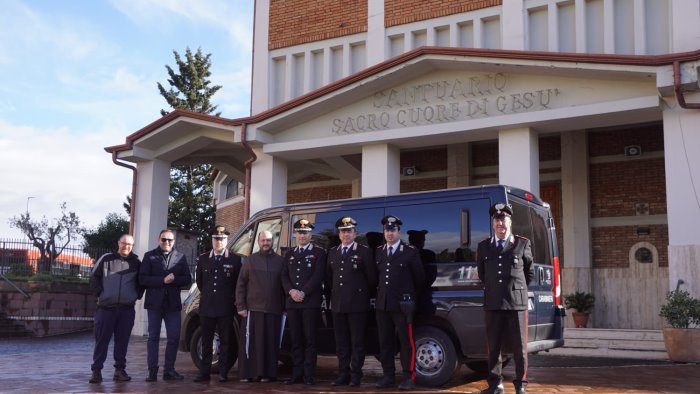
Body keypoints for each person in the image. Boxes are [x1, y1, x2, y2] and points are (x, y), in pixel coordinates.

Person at [476, 203, 534, 394]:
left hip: (516, 303)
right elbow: (483, 274)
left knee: (520, 349)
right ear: (493, 223)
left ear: (510, 221)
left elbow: (529, 273)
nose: (500, 223)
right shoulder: (483, 246)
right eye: (497, 219)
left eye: (503, 219)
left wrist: (516, 290)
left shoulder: (522, 243)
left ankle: (521, 386)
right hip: (493, 303)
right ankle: (495, 384)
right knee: (493, 348)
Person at [374, 215, 425, 391]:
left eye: (392, 230)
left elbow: (419, 279)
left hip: (403, 305)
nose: (389, 233)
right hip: (383, 305)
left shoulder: (410, 251)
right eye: (387, 230)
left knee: (406, 342)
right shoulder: (379, 251)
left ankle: (408, 377)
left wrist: (409, 297)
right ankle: (388, 376)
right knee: (385, 342)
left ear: (398, 231)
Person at [325, 216, 377, 387]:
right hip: (338, 305)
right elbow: (329, 278)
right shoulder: (333, 252)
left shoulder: (364, 251)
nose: (345, 234)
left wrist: (360, 295)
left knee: (357, 343)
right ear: (339, 234)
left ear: (355, 233)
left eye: (349, 231)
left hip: (357, 305)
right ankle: (343, 374)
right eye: (342, 231)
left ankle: (356, 376)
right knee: (341, 343)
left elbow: (371, 278)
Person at [88, 234, 144, 384]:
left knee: (122, 342)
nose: (127, 246)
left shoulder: (137, 263)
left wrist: (136, 295)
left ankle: (119, 370)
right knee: (101, 340)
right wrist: (100, 293)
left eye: (130, 244)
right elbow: (94, 277)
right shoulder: (106, 259)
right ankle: (96, 371)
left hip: (126, 310)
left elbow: (141, 282)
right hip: (106, 309)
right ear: (118, 243)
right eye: (124, 243)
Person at [139, 229, 192, 382]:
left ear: (174, 241)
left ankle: (169, 370)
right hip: (155, 304)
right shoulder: (150, 256)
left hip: (172, 305)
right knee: (153, 337)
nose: (166, 242)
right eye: (164, 239)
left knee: (174, 337)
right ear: (158, 240)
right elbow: (142, 279)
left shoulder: (180, 257)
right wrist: (162, 281)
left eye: (169, 240)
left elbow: (187, 278)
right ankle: (152, 371)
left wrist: (174, 279)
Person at [281, 219, 327, 385]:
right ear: (295, 234)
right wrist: (291, 291)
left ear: (310, 234)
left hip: (310, 303)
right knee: (296, 340)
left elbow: (318, 276)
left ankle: (309, 376)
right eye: (299, 232)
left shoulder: (319, 253)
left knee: (310, 340)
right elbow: (284, 276)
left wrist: (303, 292)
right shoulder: (289, 254)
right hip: (293, 303)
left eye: (305, 232)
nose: (302, 235)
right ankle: (296, 375)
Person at [193, 225, 242, 383]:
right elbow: (200, 283)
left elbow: (237, 284)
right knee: (207, 341)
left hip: (226, 307)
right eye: (216, 239)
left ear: (226, 240)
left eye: (221, 239)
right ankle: (204, 372)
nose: (218, 241)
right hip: (207, 306)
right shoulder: (203, 258)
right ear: (212, 240)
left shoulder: (235, 259)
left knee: (226, 341)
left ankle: (223, 372)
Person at [235, 230, 285, 383]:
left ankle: (268, 375)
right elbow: (241, 285)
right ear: (258, 241)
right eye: (263, 240)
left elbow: (284, 285)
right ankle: (248, 374)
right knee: (251, 345)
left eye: (268, 240)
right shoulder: (250, 260)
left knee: (270, 344)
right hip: (253, 309)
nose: (265, 243)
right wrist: (241, 306)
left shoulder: (280, 261)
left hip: (274, 309)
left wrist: (285, 308)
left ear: (272, 242)